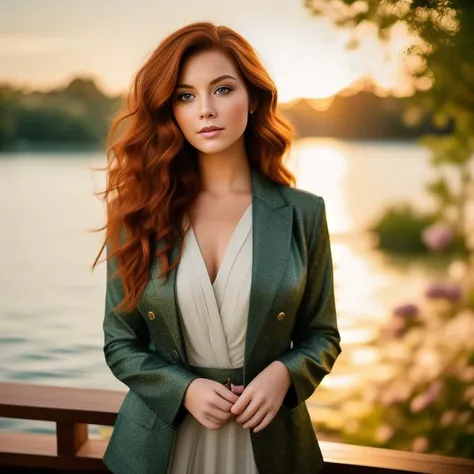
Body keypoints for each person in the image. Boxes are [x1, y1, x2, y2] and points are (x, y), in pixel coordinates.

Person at [93, 21, 342, 474]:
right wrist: (183, 390)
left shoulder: (304, 213)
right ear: (170, 111)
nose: (205, 109)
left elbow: (322, 335)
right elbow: (120, 342)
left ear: (253, 98)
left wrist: (284, 374)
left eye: (222, 89)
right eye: (186, 96)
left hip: (270, 447)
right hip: (156, 450)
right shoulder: (135, 215)